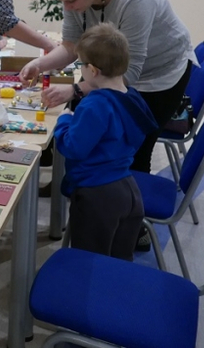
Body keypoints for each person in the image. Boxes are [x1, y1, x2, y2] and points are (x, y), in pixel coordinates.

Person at [19, 0, 194, 175]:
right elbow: (71, 46)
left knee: (134, 147)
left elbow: (128, 74)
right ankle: (86, 188)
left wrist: (75, 89)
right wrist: (40, 63)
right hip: (114, 71)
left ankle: (131, 205)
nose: (67, 7)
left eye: (71, 1)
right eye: (63, 1)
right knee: (94, 132)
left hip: (161, 73)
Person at [52, 23, 158, 260]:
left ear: (92, 70)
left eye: (80, 64)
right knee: (118, 261)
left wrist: (64, 121)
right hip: (128, 190)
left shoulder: (95, 104)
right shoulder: (132, 98)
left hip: (96, 195)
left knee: (90, 262)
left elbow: (73, 147)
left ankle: (87, 298)